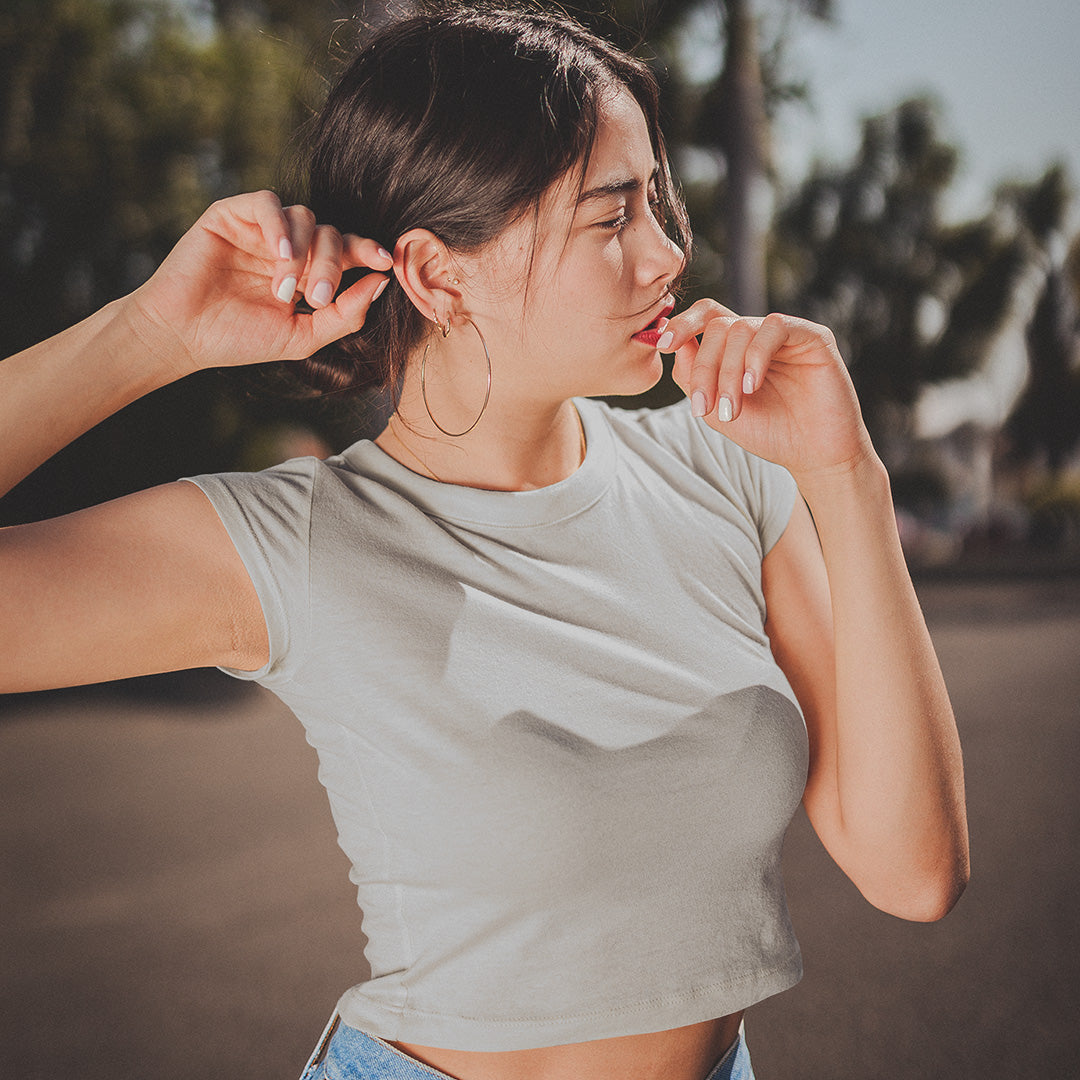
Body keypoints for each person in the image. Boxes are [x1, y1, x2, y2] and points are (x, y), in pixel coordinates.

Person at [0, 6, 968, 1080]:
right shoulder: (299, 544)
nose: (668, 253)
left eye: (656, 198)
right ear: (437, 273)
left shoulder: (730, 471)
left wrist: (847, 473)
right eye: (612, 219)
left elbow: (915, 873)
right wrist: (150, 336)